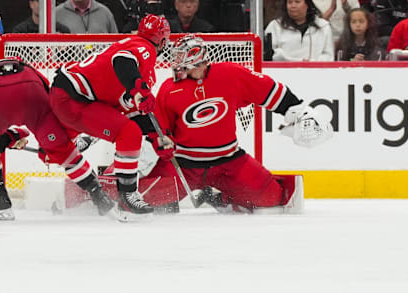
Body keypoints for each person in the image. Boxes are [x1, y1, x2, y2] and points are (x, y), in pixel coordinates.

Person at [141, 34, 328, 213]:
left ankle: (218, 198)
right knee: (145, 200)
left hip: (229, 162)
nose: (176, 64)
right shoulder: (169, 89)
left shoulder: (229, 74)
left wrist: (296, 109)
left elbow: (267, 90)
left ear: (197, 58)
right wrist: (161, 142)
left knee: (272, 198)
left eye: (181, 58)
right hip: (184, 164)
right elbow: (159, 126)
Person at [0, 58, 120, 221]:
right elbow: (50, 106)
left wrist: (10, 138)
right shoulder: (41, 78)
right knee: (62, 150)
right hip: (33, 91)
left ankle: (0, 198)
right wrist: (49, 149)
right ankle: (99, 196)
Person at [50, 14, 171, 215]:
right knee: (129, 133)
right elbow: (122, 61)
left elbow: (128, 109)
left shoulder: (131, 47)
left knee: (61, 146)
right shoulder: (145, 48)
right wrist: (138, 88)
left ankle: (71, 147)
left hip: (68, 95)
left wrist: (155, 135)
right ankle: (128, 195)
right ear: (163, 40)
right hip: (76, 99)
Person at [265, 0, 334, 61]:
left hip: (316, 70)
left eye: (297, 2)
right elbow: (272, 54)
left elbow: (328, 55)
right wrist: (298, 61)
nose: (293, 6)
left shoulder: (323, 26)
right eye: (289, 2)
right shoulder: (275, 26)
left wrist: (312, 63)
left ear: (307, 4)